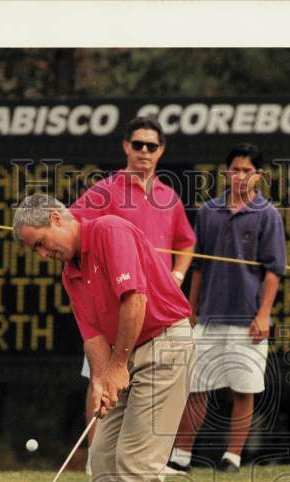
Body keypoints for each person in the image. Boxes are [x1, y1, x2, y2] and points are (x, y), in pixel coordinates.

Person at [13, 194, 194, 482]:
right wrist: (101, 382)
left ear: (58, 219)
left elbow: (136, 301)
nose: (42, 255)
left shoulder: (109, 230)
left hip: (165, 345)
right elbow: (93, 336)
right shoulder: (70, 274)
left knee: (137, 461)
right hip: (121, 355)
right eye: (35, 250)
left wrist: (117, 367)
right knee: (101, 453)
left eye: (41, 243)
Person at [71, 115, 196, 460]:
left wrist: (178, 276)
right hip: (117, 308)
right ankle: (98, 458)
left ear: (161, 151)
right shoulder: (105, 191)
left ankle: (132, 461)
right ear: (126, 146)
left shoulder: (168, 198)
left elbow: (187, 241)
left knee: (141, 392)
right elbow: (70, 225)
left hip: (156, 312)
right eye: (137, 144)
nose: (143, 151)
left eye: (151, 146)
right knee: (100, 378)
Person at [167, 143, 286, 474]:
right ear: (226, 172)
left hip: (248, 318)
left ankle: (232, 457)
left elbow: (274, 271)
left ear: (258, 175)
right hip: (209, 317)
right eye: (235, 169)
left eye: (247, 170)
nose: (240, 176)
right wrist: (190, 310)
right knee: (196, 387)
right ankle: (180, 456)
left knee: (243, 388)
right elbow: (199, 268)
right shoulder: (208, 212)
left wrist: (263, 315)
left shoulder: (268, 215)